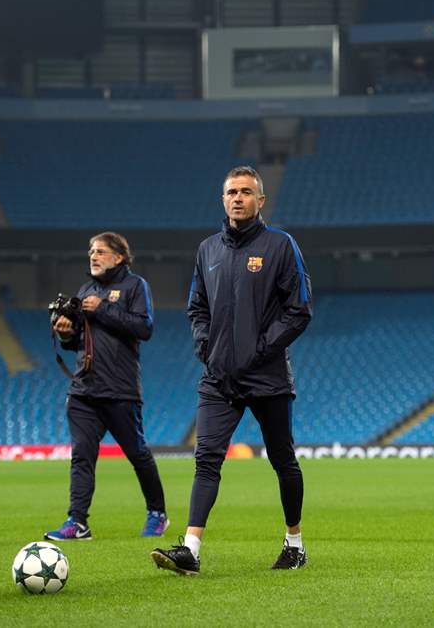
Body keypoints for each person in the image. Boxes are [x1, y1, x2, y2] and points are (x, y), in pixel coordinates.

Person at [151, 165, 313, 574]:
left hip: (268, 376)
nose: (237, 198)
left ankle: (294, 543)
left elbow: (299, 310)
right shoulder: (208, 250)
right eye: (230, 192)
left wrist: (259, 350)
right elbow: (196, 307)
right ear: (222, 200)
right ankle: (190, 550)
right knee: (206, 458)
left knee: (282, 460)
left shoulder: (280, 245)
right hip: (219, 377)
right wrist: (206, 346)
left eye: (245, 192)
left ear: (261, 200)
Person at [45, 231, 169, 541]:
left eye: (100, 251)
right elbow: (81, 343)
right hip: (84, 392)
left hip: (120, 390)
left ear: (119, 257)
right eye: (91, 251)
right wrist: (65, 333)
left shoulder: (135, 286)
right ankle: (77, 521)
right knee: (82, 455)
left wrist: (102, 309)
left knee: (137, 454)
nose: (93, 256)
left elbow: (144, 328)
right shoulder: (86, 289)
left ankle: (157, 513)